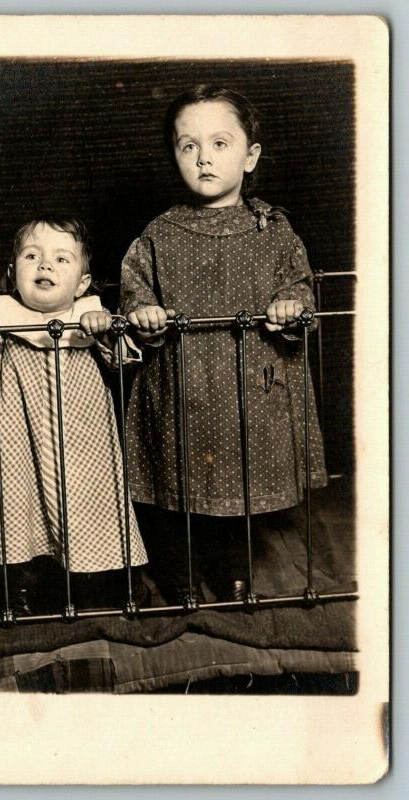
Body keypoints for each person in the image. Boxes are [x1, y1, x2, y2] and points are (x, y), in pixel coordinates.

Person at [120, 85, 327, 605]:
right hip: (183, 387)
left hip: (249, 389)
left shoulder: (275, 231)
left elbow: (301, 287)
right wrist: (142, 314)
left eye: (219, 143)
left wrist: (290, 306)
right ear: (175, 155)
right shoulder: (159, 234)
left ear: (250, 156)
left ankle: (235, 569)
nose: (204, 157)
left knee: (240, 483)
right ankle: (181, 572)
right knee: (179, 483)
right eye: (188, 146)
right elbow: (134, 290)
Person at [0, 216, 148, 614]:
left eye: (62, 259)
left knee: (86, 510)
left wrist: (107, 331)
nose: (45, 265)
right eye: (32, 256)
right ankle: (19, 584)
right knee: (14, 507)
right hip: (13, 444)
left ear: (82, 282)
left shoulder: (90, 314)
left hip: (81, 446)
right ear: (13, 274)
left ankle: (98, 581)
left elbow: (124, 360)